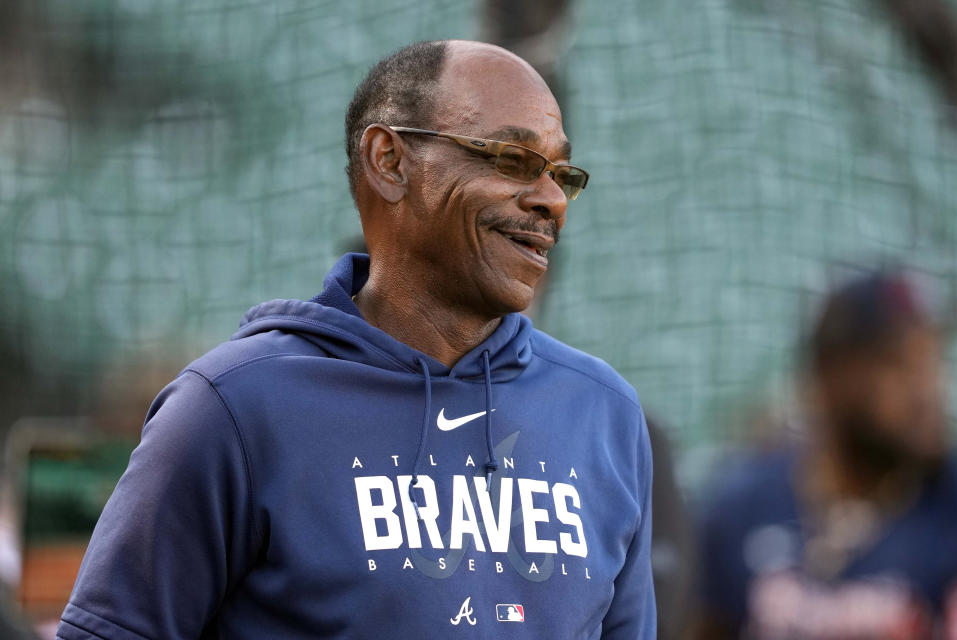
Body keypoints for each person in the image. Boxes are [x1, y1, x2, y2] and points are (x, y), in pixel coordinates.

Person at [56, 40, 655, 639]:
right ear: (389, 160)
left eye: (562, 174)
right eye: (513, 158)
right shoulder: (232, 407)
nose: (551, 199)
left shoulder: (605, 415)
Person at [695, 269, 957, 639]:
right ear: (829, 374)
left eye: (932, 361)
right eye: (899, 364)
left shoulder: (949, 505)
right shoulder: (742, 507)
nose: (926, 389)